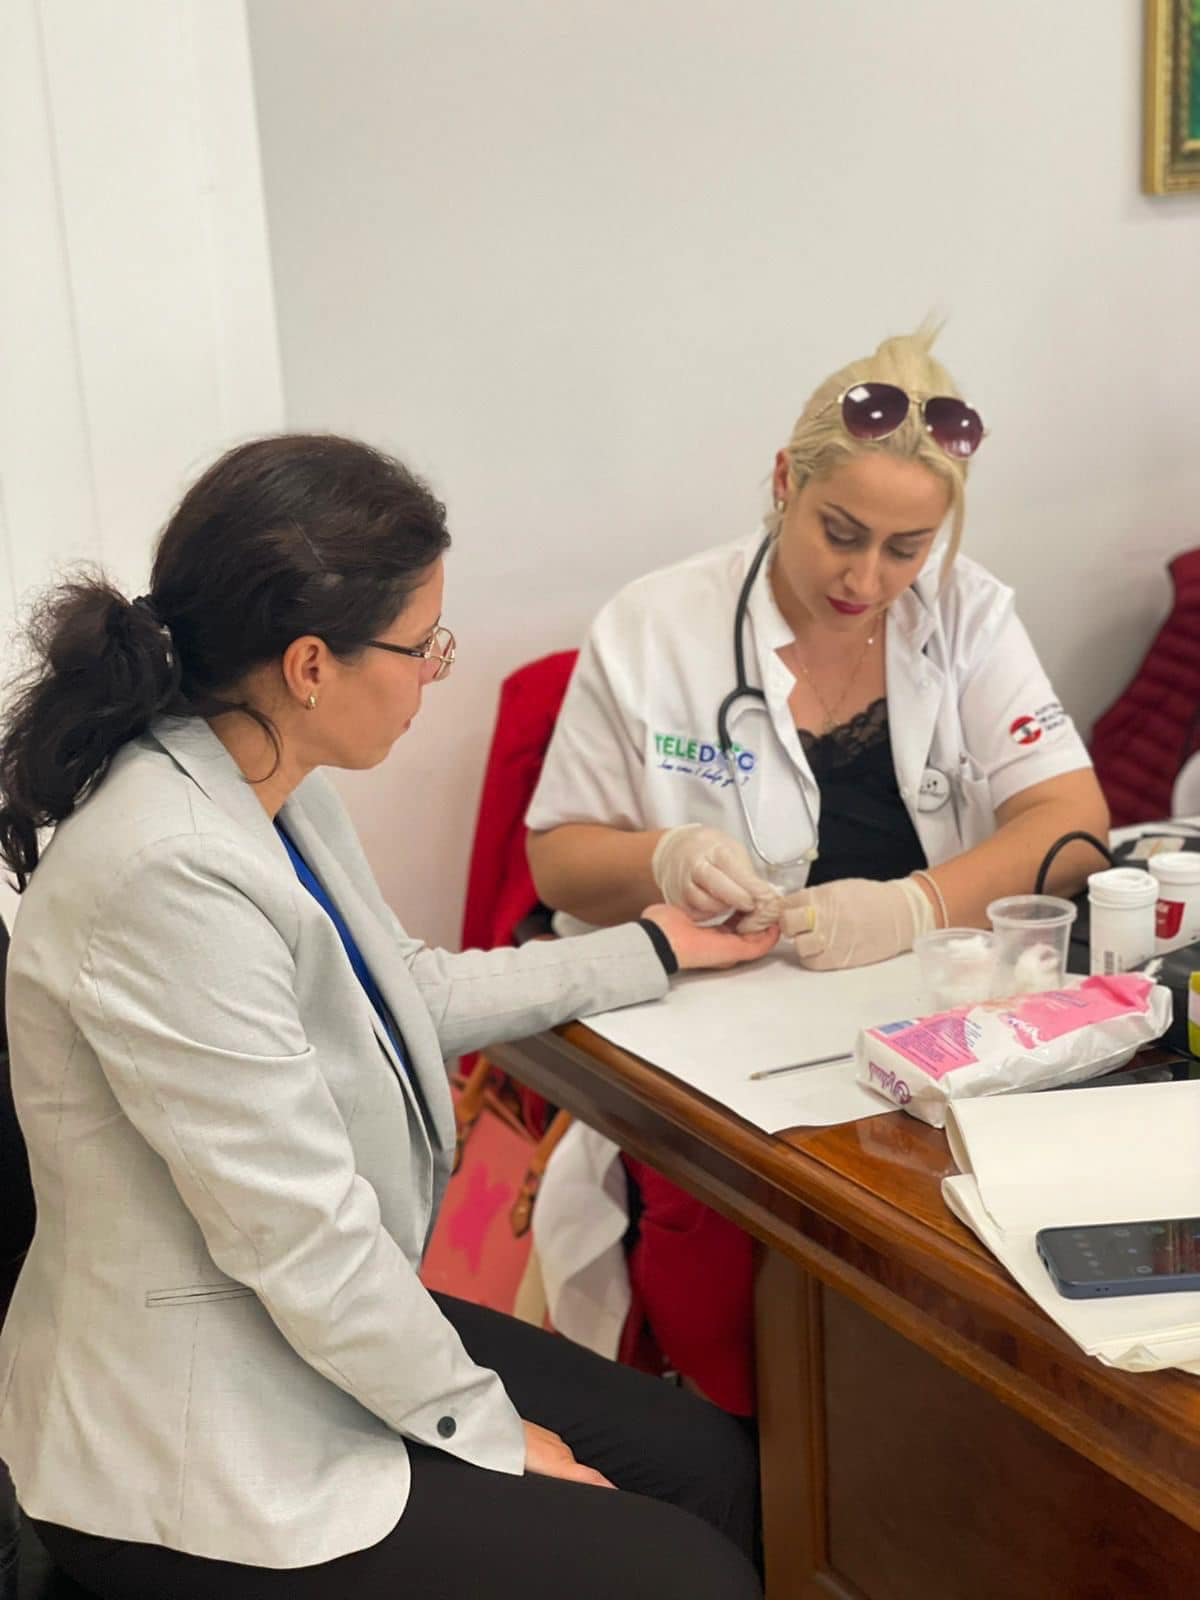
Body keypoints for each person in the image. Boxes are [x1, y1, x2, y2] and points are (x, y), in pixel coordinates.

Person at [0, 435, 779, 1600]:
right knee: (688, 1575)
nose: (433, 674)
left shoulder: (269, 786)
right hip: (199, 1439)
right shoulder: (167, 871)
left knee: (715, 1470)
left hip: (297, 1326)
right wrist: (491, 1432)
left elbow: (404, 990)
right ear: (312, 664)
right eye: (424, 647)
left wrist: (657, 945)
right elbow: (300, 1233)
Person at [524, 327, 1110, 1414]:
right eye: (841, 533)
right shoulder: (655, 626)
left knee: (986, 1292)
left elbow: (1072, 817)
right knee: (760, 1313)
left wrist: (912, 907)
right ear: (784, 483)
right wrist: (666, 854)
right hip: (712, 1057)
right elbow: (557, 860)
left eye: (906, 548)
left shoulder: (968, 614)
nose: (866, 578)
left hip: (927, 1036)